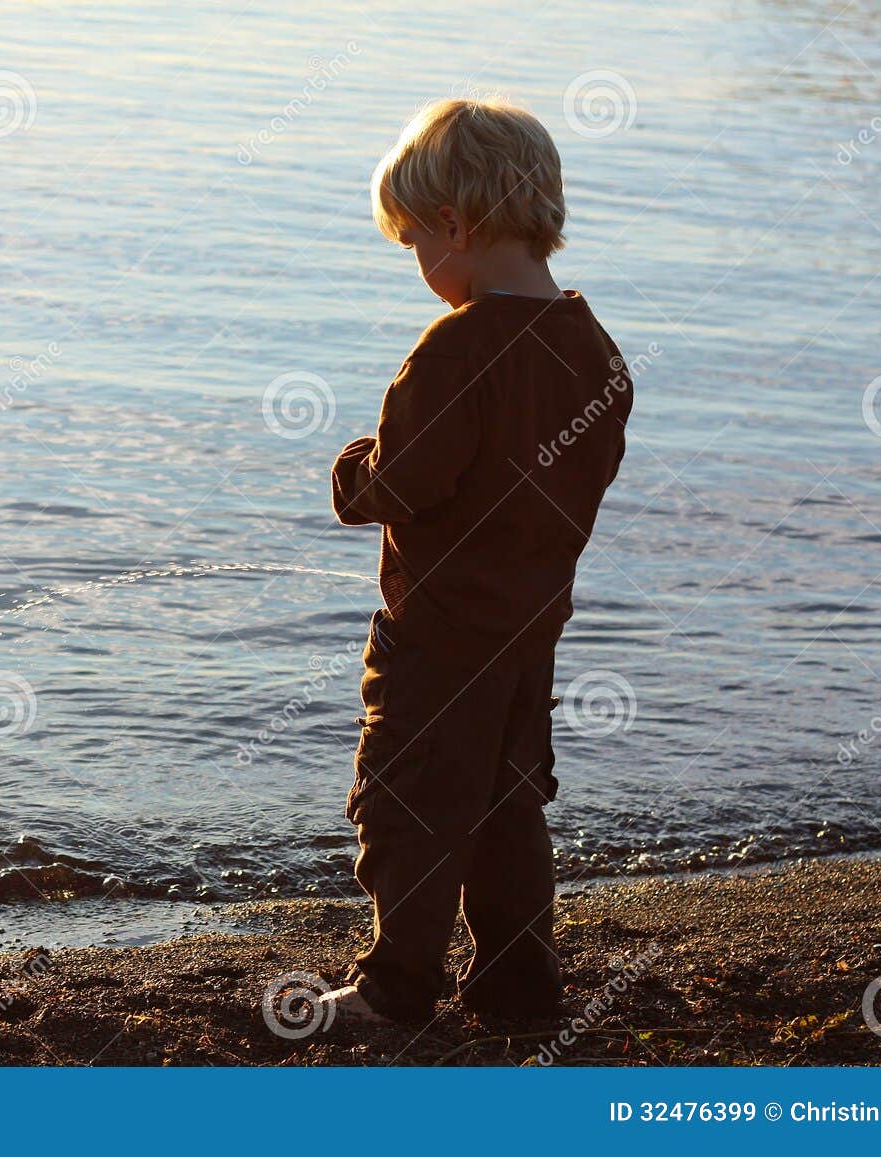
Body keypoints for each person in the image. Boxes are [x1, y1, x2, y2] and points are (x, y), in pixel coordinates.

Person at [321, 97, 632, 1029]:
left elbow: (404, 480)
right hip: (529, 628)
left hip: (437, 632)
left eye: (416, 241)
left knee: (404, 802)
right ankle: (518, 987)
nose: (421, 265)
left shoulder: (455, 349)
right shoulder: (595, 352)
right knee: (507, 809)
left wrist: (351, 474)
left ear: (455, 225)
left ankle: (394, 989)